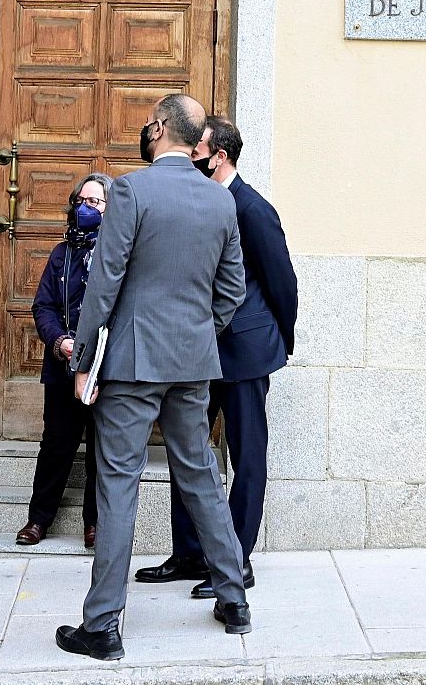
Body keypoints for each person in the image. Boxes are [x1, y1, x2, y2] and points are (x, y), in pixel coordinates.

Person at [54, 94, 251, 662]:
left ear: (160, 128)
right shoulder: (219, 201)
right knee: (201, 477)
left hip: (133, 362)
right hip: (191, 362)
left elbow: (105, 280)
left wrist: (83, 357)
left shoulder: (132, 189)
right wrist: (196, 330)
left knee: (118, 482)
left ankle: (102, 625)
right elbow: (231, 291)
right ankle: (234, 598)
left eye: (149, 124)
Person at [137, 115, 298, 598]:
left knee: (247, 454)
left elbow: (282, 283)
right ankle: (188, 553)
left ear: (218, 156)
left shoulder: (252, 208)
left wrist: (279, 341)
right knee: (187, 452)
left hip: (245, 352)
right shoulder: (197, 201)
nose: (190, 157)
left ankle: (237, 560)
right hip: (197, 351)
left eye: (197, 150)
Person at [17, 173, 112, 549]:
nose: (86, 208)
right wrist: (60, 341)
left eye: (95, 202)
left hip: (105, 366)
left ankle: (95, 523)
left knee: (101, 448)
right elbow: (43, 306)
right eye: (81, 201)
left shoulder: (117, 255)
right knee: (57, 444)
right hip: (63, 363)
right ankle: (39, 520)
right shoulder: (61, 254)